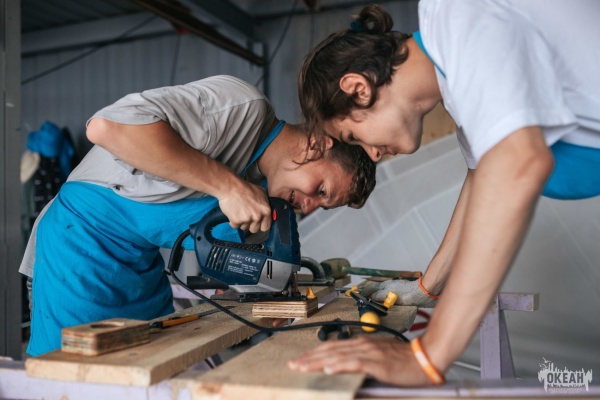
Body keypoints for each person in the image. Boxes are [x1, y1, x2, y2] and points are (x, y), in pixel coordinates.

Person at [288, 1, 600, 386]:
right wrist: (426, 287)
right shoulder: (460, 90)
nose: (371, 153)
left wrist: (428, 355)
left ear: (358, 88)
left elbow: (518, 164)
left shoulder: (454, 13)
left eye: (353, 136)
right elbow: (481, 179)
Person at [20, 74, 376, 356]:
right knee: (77, 377)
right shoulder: (244, 108)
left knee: (151, 370)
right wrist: (228, 187)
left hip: (141, 271)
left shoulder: (263, 191)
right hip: (81, 251)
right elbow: (107, 128)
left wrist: (266, 289)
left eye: (322, 205)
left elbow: (213, 254)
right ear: (318, 144)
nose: (309, 206)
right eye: (322, 190)